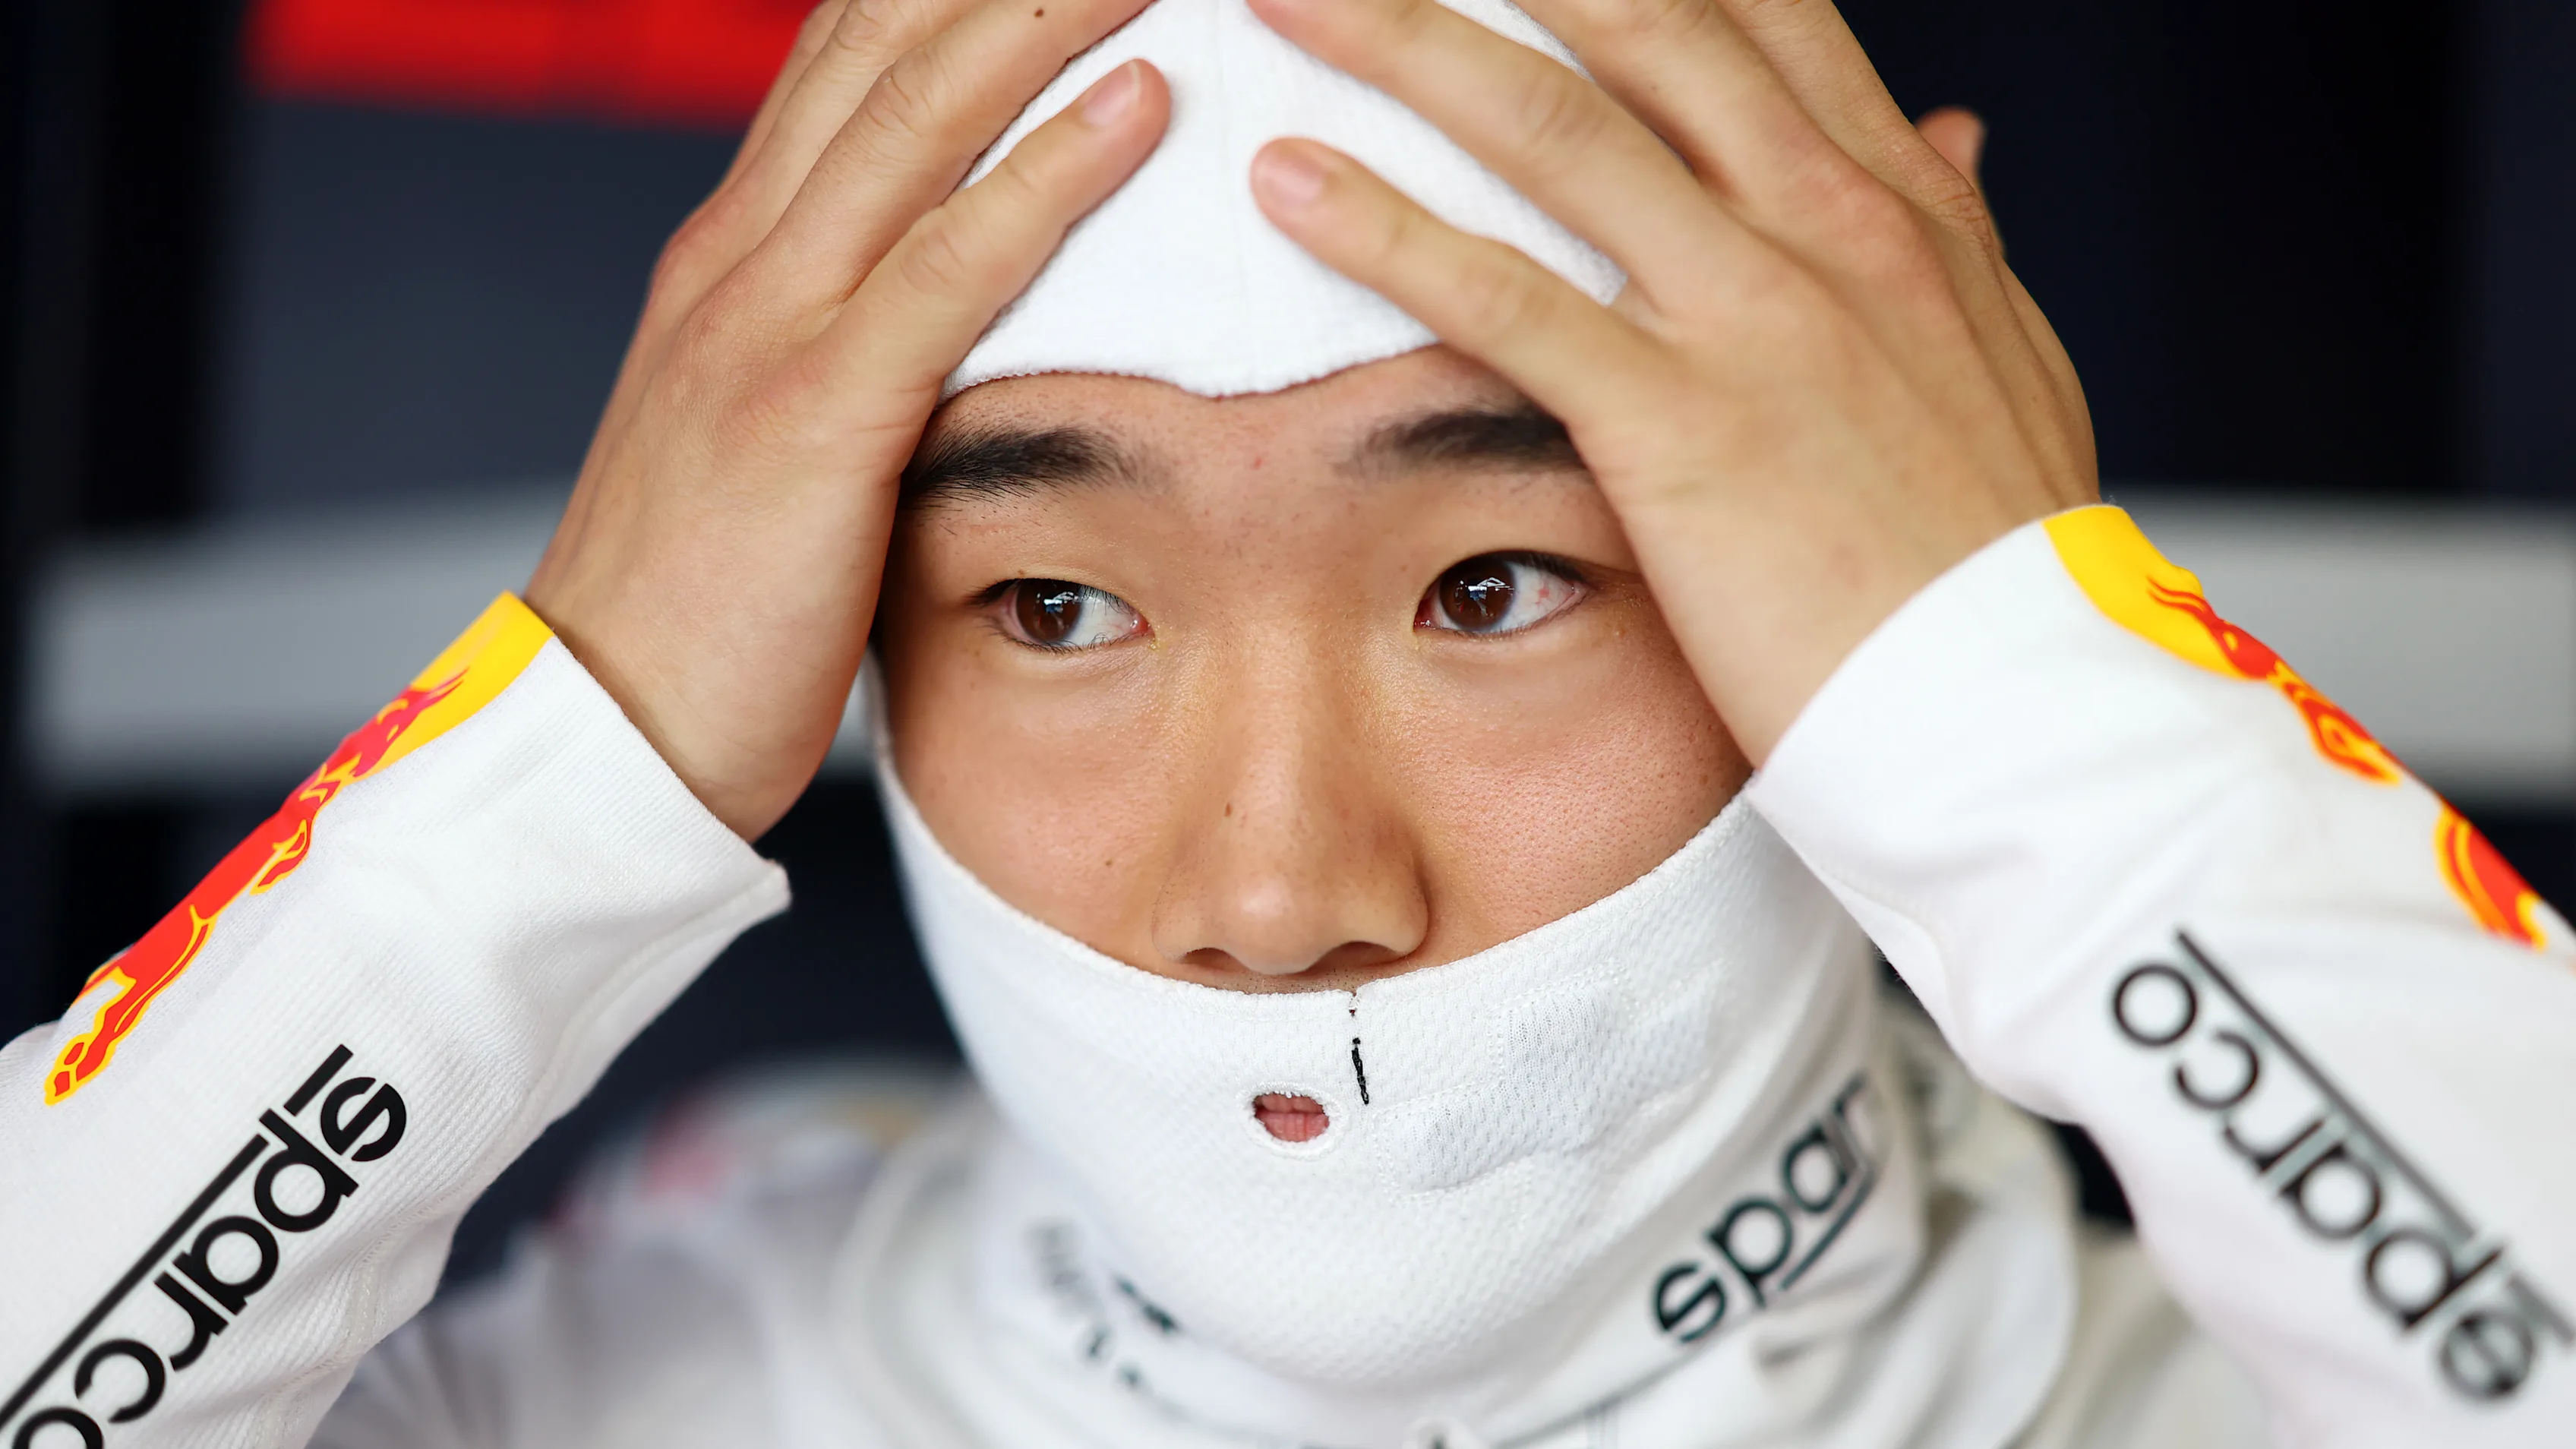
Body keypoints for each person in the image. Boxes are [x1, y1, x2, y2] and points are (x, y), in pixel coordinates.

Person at [2, 0, 2569, 1444]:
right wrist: (565, 757)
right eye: (1053, 608)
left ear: (1856, 608)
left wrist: (2031, 686)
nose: (1273, 892)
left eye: (1492, 581)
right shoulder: (640, 1378)